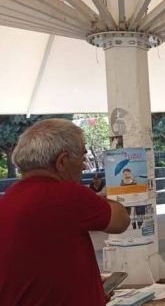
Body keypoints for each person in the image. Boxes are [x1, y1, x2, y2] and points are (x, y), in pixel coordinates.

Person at [0, 119, 130, 305]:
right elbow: (121, 220)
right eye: (82, 158)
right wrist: (99, 197)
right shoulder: (66, 194)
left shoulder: (8, 198)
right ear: (62, 161)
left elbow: (42, 267)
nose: (84, 167)